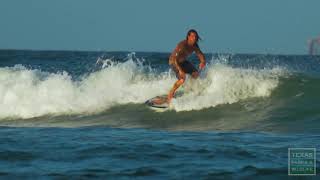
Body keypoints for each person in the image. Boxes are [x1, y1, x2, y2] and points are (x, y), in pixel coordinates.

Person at [167, 29, 206, 103]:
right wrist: (180, 70)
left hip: (183, 61)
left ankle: (190, 90)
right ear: (188, 37)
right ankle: (171, 93)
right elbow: (175, 59)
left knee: (196, 74)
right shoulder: (182, 45)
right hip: (174, 62)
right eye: (192, 36)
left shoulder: (195, 46)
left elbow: (200, 54)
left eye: (195, 36)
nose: (194, 38)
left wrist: (202, 61)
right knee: (182, 78)